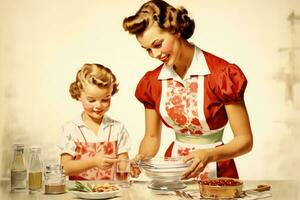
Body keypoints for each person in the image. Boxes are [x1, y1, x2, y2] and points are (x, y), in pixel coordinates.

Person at [123, 0, 253, 180]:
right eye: (147, 50)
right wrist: (141, 159)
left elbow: (244, 141)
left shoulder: (221, 74)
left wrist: (209, 155)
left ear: (175, 30)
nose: (154, 55)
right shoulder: (152, 82)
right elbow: (152, 137)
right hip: (174, 168)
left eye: (158, 44)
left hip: (218, 168)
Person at [58, 63, 131, 180]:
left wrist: (130, 167)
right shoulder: (71, 128)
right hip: (80, 193)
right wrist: (93, 161)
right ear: (78, 95)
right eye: (91, 100)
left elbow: (122, 164)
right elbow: (64, 168)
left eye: (105, 99)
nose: (98, 105)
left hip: (110, 192)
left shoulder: (117, 128)